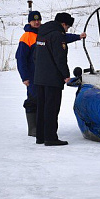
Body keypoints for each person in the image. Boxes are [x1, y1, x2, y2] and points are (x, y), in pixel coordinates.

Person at [34, 12, 84, 146]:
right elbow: (59, 57)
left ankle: (40, 136)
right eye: (67, 27)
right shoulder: (57, 35)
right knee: (52, 108)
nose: (67, 30)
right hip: (52, 79)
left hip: (39, 77)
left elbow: (36, 55)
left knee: (42, 107)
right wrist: (65, 75)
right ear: (63, 24)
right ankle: (50, 137)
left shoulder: (42, 33)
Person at [16, 10, 42, 136]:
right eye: (34, 20)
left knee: (42, 99)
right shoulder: (26, 37)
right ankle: (33, 129)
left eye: (38, 20)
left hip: (43, 74)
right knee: (33, 99)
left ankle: (40, 126)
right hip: (31, 76)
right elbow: (21, 58)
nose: (36, 22)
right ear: (29, 21)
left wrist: (78, 37)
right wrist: (24, 77)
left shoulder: (43, 33)